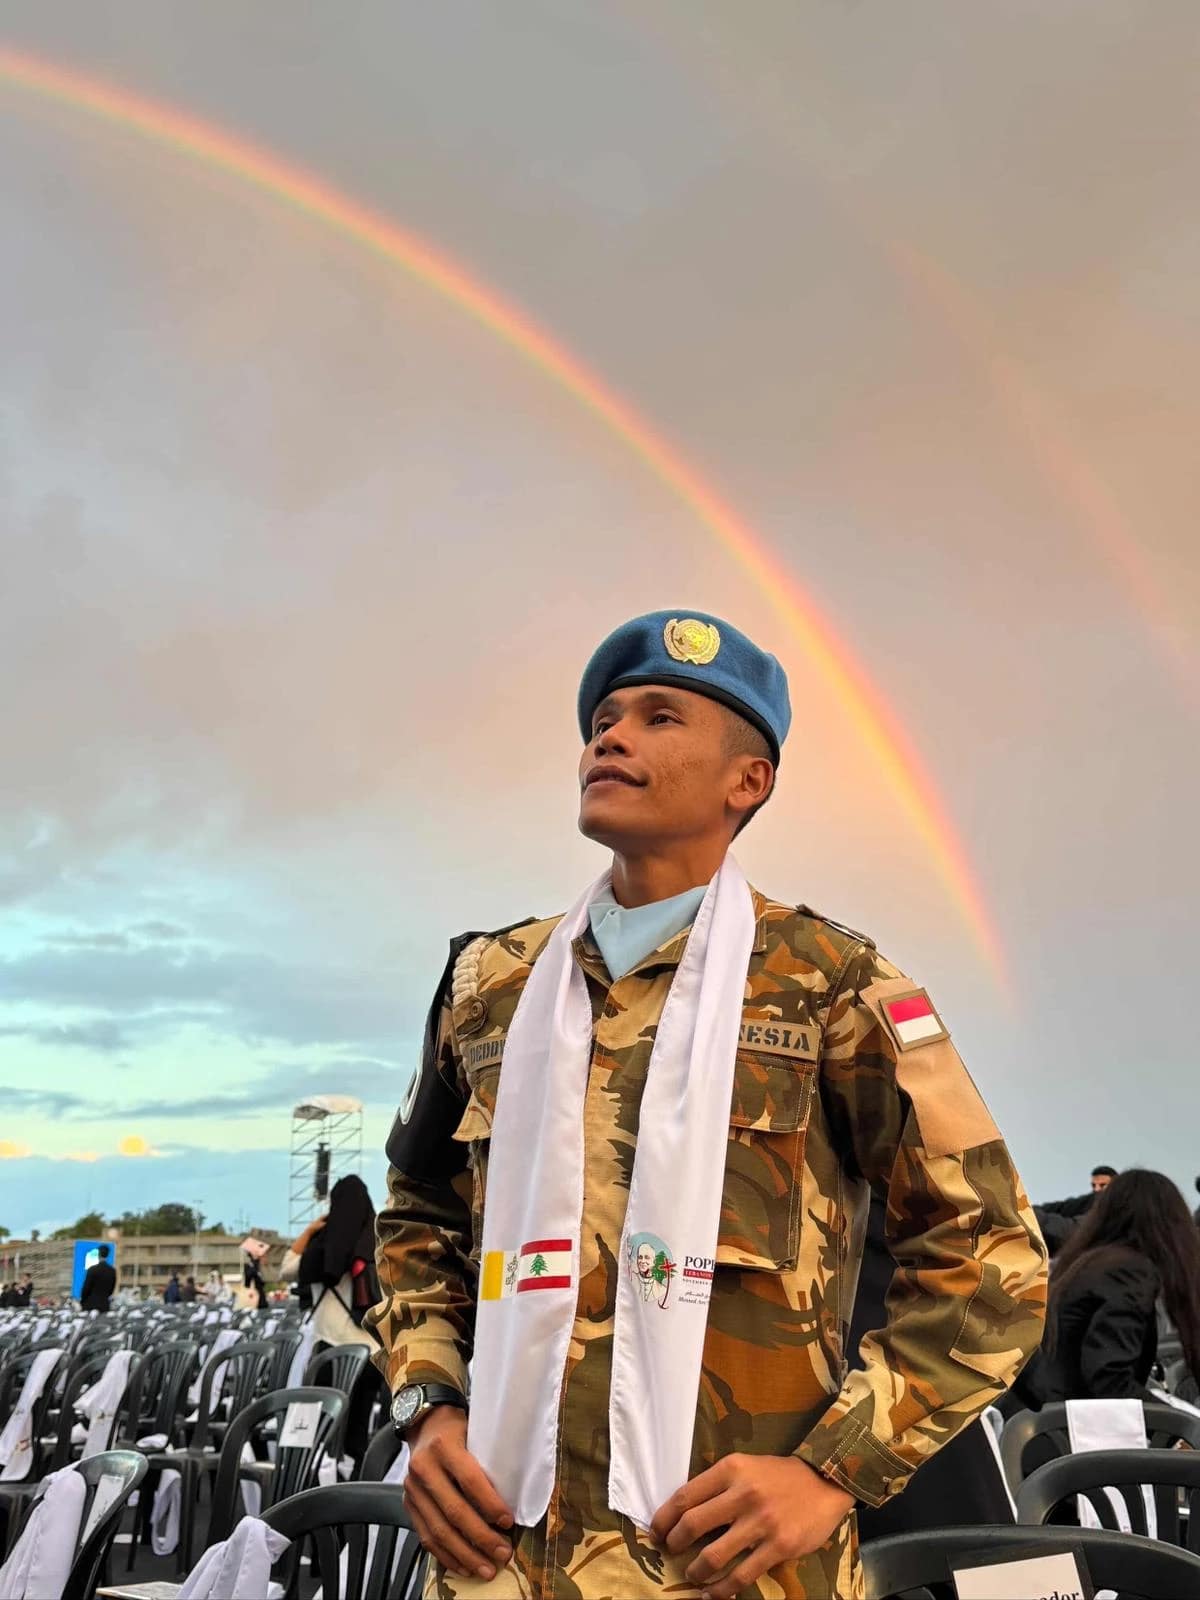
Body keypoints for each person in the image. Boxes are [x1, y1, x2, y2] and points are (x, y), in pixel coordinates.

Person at [368, 609, 1048, 1600]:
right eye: (603, 718)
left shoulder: (831, 985)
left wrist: (831, 1472)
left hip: (736, 1571)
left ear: (748, 780)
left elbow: (994, 1251)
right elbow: (416, 1209)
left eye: (659, 716)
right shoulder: (489, 987)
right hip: (496, 1563)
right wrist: (429, 1407)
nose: (612, 735)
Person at [1029, 1168, 1200, 1406]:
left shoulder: (1090, 1264)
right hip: (1081, 1427)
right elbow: (1109, 1377)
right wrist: (1180, 1426)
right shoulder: (1129, 1272)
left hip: (1054, 1417)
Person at [281, 1175, 384, 1467]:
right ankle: (351, 1493)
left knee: (315, 1434)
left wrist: (309, 1231)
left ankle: (311, 1491)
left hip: (328, 1349)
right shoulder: (380, 1243)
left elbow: (286, 1269)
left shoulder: (320, 1247)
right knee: (356, 1435)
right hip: (370, 1353)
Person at [79, 1244, 116, 1313]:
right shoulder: (112, 1271)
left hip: (90, 1306)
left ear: (98, 1254)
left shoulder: (92, 1269)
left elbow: (86, 1288)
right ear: (107, 1254)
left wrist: (82, 1301)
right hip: (104, 1306)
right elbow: (111, 1289)